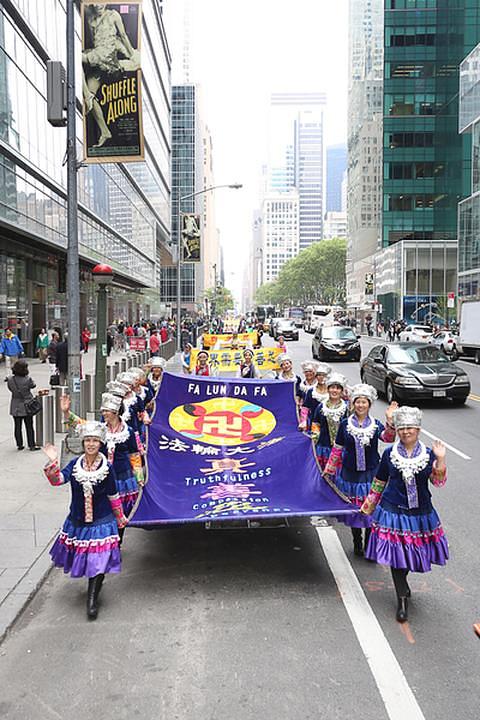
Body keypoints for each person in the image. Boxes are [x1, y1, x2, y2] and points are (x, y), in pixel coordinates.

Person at [361, 406, 448, 623]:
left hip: (420, 513)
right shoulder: (389, 454)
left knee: (410, 555)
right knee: (396, 556)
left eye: (410, 428)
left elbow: (438, 483)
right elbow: (380, 481)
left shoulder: (428, 454)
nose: (406, 432)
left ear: (418, 430)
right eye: (402, 428)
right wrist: (369, 505)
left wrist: (440, 460)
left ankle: (403, 584)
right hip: (393, 511)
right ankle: (401, 599)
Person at [42, 421, 127, 620]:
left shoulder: (107, 467)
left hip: (102, 521)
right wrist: (53, 464)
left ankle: (92, 599)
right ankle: (94, 587)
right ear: (83, 443)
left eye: (94, 441)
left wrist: (120, 517)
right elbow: (58, 480)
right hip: (78, 520)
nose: (90, 444)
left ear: (100, 444)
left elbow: (113, 494)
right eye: (87, 440)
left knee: (98, 559)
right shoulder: (75, 464)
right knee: (87, 558)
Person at [323, 384, 397, 557]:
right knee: (356, 510)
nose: (360, 405)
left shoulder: (376, 425)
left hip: (371, 474)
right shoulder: (345, 425)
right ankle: (357, 541)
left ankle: (369, 545)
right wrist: (329, 469)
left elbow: (388, 438)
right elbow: (337, 448)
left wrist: (390, 421)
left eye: (364, 402)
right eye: (358, 402)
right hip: (350, 474)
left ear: (369, 404)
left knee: (371, 509)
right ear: (353, 404)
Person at [310, 373, 349, 470]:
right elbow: (316, 425)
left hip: (342, 449)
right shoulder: (321, 407)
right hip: (324, 447)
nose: (334, 390)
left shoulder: (347, 408)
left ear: (341, 391)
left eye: (338, 388)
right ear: (328, 389)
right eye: (332, 387)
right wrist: (314, 442)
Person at [7, 360, 42, 451]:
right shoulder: (27, 379)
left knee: (17, 426)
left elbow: (10, 389)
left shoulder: (10, 380)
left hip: (15, 405)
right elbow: (33, 385)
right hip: (27, 405)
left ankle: (19, 444)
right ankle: (31, 445)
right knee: (29, 426)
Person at [300, 363, 332, 430]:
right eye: (319, 375)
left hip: (330, 423)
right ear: (316, 376)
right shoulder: (311, 391)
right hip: (315, 423)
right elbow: (305, 407)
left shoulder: (332, 391)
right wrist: (303, 422)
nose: (321, 377)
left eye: (323, 375)